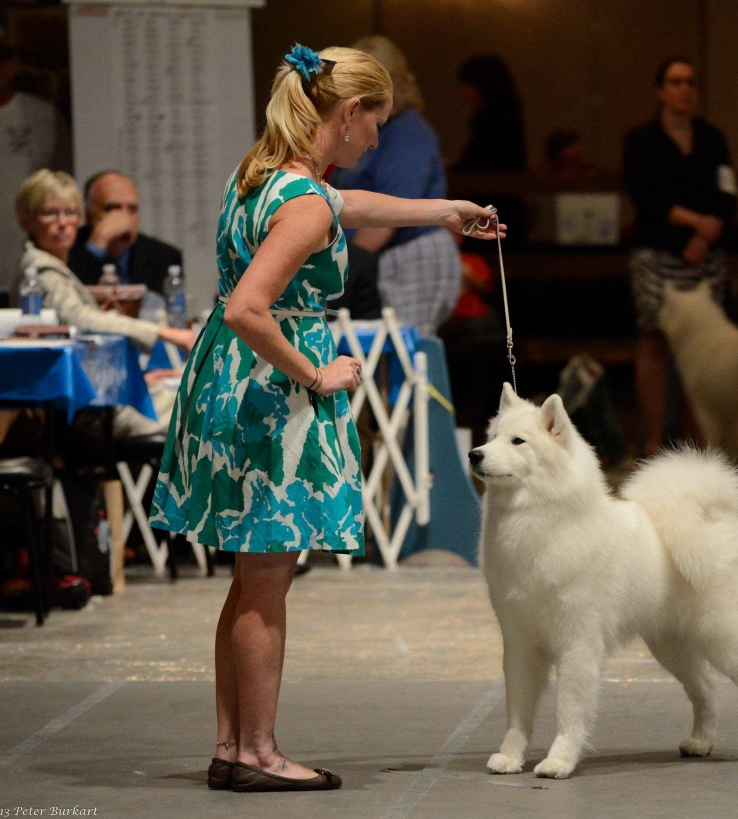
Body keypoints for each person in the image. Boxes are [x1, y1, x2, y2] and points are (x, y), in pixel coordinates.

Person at [147, 44, 501, 793]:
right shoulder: (306, 202)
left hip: (230, 381)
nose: (376, 140)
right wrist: (317, 371)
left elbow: (351, 207)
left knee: (250, 576)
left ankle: (231, 743)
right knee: (269, 574)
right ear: (347, 115)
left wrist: (449, 211)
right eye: (374, 124)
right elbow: (251, 306)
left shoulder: (263, 175)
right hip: (274, 390)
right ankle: (261, 753)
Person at [14, 170, 194, 435]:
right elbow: (79, 317)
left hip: (99, 394)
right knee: (208, 403)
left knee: (200, 398)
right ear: (27, 221)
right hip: (90, 410)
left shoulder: (53, 265)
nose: (63, 223)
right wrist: (164, 333)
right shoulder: (40, 270)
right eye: (51, 213)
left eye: (70, 212)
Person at [623, 56, 737, 456]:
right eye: (675, 82)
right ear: (660, 91)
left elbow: (727, 194)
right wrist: (694, 223)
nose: (684, 89)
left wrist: (705, 236)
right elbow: (644, 195)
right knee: (654, 340)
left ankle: (699, 439)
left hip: (705, 254)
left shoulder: (712, 138)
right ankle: (654, 438)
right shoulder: (641, 140)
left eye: (691, 82)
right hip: (657, 251)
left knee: (704, 345)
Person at [331, 36, 461, 335]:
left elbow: (387, 216)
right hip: (377, 256)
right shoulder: (381, 129)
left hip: (408, 257)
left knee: (404, 353)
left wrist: (345, 272)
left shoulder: (408, 134)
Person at [0, 19, 71, 298]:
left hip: (33, 265)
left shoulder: (41, 116)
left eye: (2, 57)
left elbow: (64, 187)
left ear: (14, 63)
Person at [67, 171, 184, 294]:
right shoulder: (66, 251)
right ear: (88, 214)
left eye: (132, 209)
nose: (124, 218)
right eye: (112, 208)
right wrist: (98, 243)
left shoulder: (164, 257)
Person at [450, 54, 526, 173]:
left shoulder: (493, 127)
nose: (463, 93)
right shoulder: (504, 122)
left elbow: (475, 169)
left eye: (467, 84)